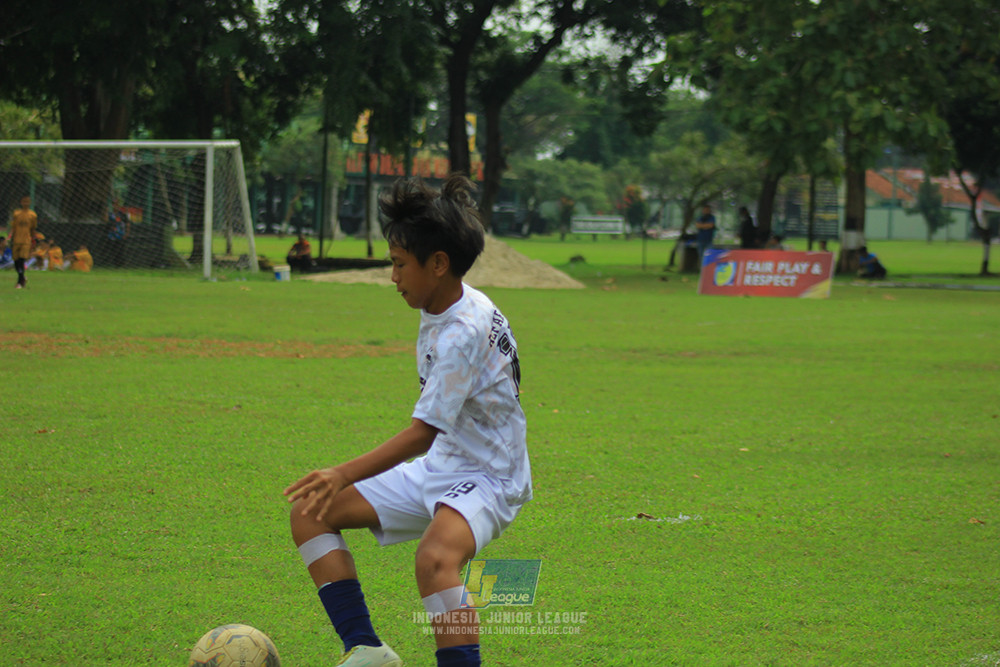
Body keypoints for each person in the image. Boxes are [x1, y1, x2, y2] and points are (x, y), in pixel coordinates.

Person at [284, 174, 531, 667]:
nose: (392, 276)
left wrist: (341, 473)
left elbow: (422, 433)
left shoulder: (462, 331)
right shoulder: (447, 298)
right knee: (311, 513)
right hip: (445, 463)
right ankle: (365, 648)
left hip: (488, 475)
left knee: (435, 559)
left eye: (399, 265)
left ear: (438, 264)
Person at [7, 195, 38, 288]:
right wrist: (10, 237)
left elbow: (33, 229)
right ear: (21, 202)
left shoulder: (32, 215)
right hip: (16, 239)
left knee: (21, 259)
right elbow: (13, 227)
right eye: (24, 201)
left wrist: (33, 240)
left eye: (27, 201)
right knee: (16, 260)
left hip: (26, 240)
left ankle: (20, 281)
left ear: (30, 202)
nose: (26, 203)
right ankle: (22, 277)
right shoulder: (16, 214)